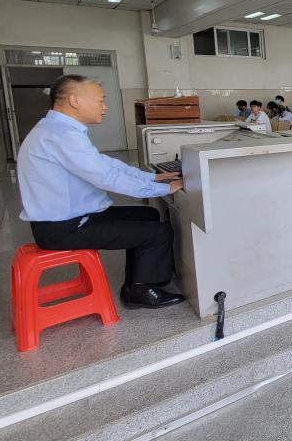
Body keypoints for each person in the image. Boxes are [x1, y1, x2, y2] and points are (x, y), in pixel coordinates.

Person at [18, 75, 185, 308]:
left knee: (147, 215)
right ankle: (141, 291)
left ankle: (136, 282)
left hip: (72, 218)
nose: (104, 106)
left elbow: (104, 163)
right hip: (64, 228)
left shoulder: (57, 129)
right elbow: (107, 177)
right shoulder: (61, 135)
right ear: (75, 100)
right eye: (100, 100)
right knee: (159, 233)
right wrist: (165, 188)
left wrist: (151, 177)